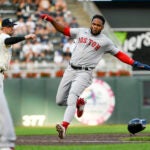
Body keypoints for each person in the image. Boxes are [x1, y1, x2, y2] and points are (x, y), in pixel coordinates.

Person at [40, 14, 150, 139]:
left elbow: (119, 55)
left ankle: (64, 127)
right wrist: (51, 20)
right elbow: (64, 30)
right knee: (60, 101)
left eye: (98, 25)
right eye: (94, 24)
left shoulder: (105, 41)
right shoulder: (81, 31)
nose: (95, 26)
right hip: (70, 69)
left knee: (72, 95)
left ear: (102, 27)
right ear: (91, 23)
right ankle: (79, 105)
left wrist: (134, 63)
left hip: (84, 73)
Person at [0, 18, 36, 150]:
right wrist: (26, 37)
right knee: (2, 111)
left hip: (1, 74)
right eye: (10, 26)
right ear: (3, 28)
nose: (12, 28)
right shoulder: (3, 36)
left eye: (12, 26)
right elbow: (9, 41)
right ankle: (6, 144)